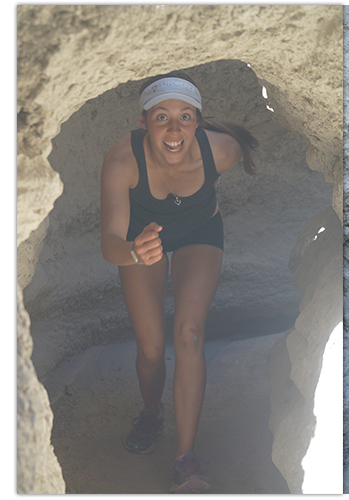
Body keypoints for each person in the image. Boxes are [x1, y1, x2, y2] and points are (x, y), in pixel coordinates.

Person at [100, 70, 258, 493]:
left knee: (188, 334)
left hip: (199, 233)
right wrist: (135, 250)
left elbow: (238, 147)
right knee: (151, 348)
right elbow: (109, 242)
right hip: (141, 238)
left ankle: (185, 457)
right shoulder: (122, 159)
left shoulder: (221, 151)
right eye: (162, 117)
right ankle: (152, 412)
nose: (174, 129)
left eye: (186, 117)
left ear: (198, 122)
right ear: (144, 122)